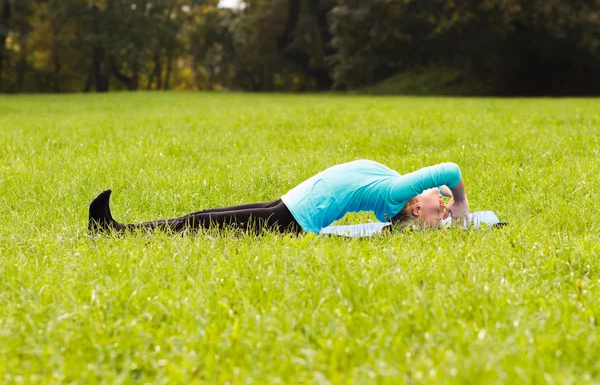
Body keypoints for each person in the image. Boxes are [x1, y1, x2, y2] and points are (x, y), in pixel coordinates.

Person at [88, 159, 469, 235]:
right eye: (444, 204)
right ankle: (116, 230)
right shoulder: (395, 189)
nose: (445, 202)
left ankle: (116, 232)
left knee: (203, 224)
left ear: (417, 208)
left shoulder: (396, 193)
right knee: (207, 217)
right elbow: (446, 177)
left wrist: (456, 209)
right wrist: (458, 203)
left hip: (294, 220)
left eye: (441, 208)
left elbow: (449, 171)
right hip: (292, 204)